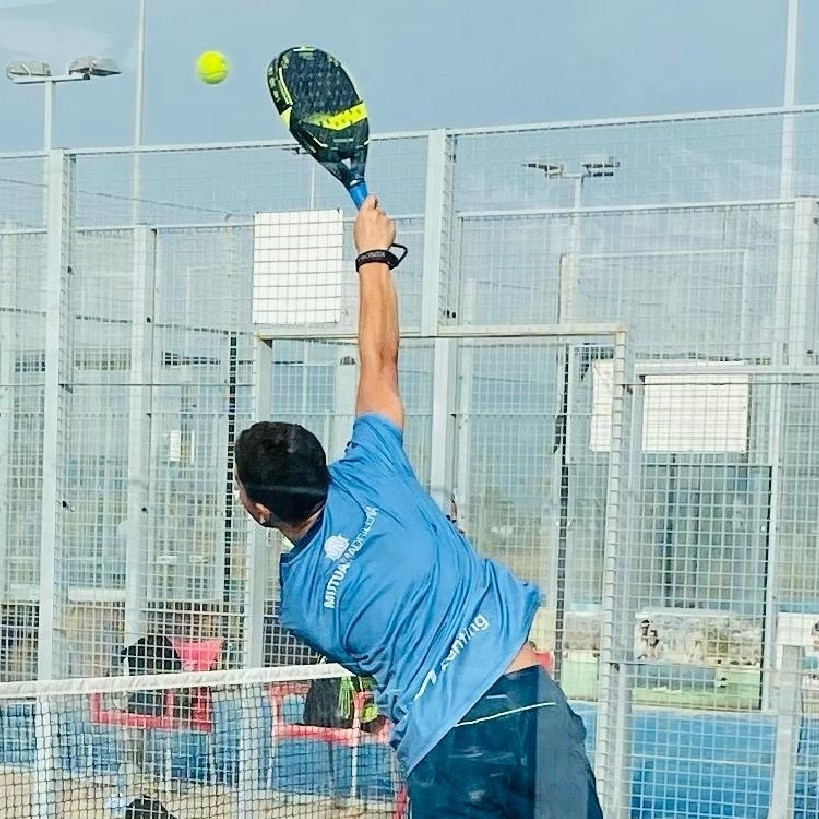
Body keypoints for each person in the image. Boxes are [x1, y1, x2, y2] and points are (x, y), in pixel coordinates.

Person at [234, 195, 603, 818]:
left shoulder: (302, 606)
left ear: (261, 511)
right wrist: (372, 255)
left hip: (447, 749)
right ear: (321, 463)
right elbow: (381, 358)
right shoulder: (375, 465)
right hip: (530, 703)